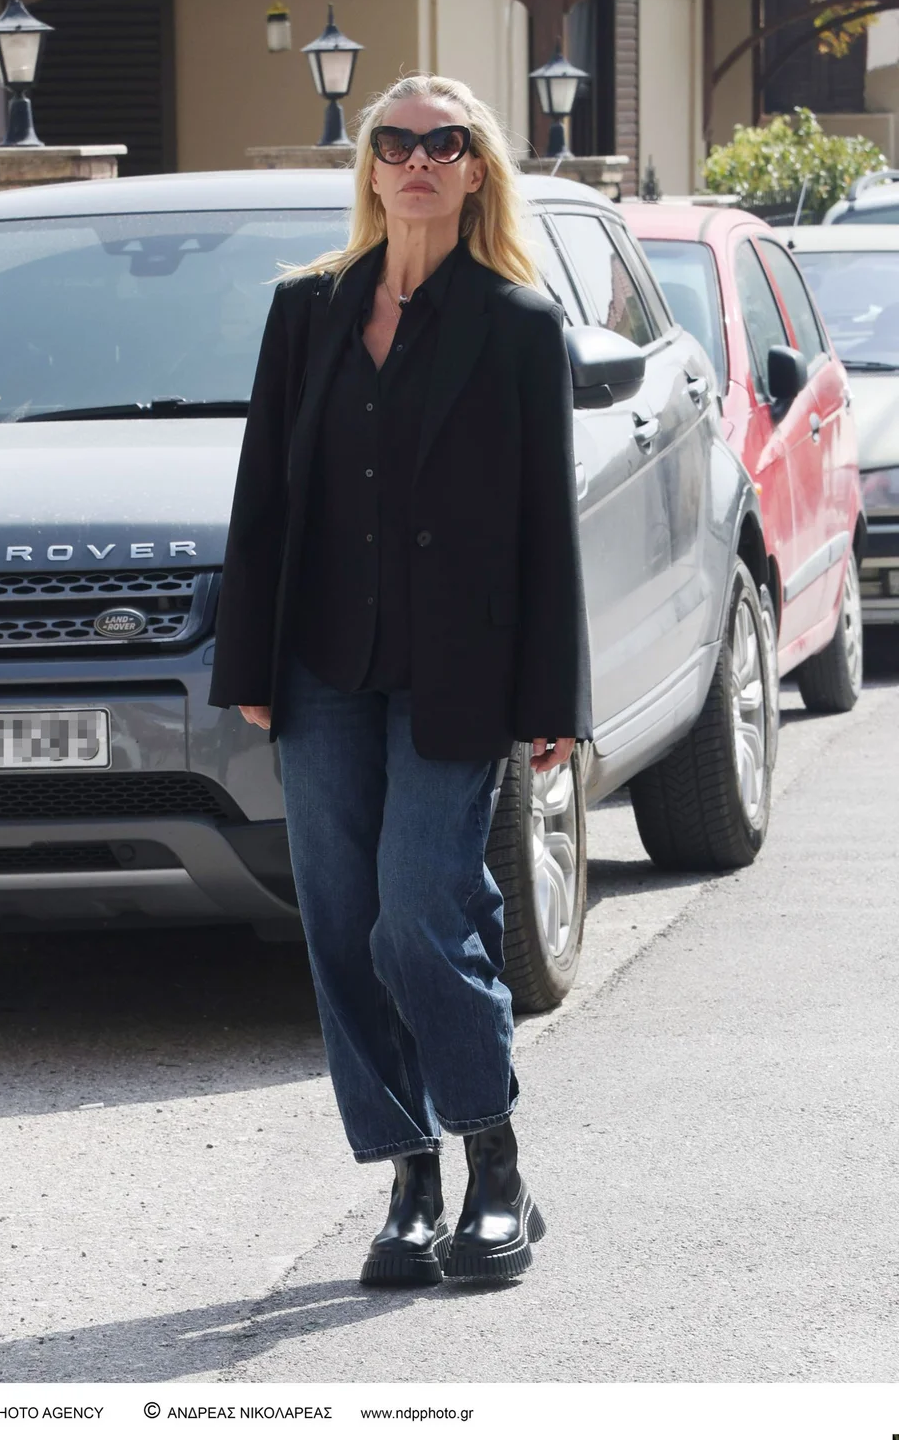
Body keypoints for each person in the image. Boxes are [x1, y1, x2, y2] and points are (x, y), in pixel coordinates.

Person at [208, 73, 592, 1285]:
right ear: (370, 167)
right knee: (339, 922)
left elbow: (545, 523)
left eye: (444, 141)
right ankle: (410, 1178)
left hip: (459, 670)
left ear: (475, 170)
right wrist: (249, 658)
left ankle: (497, 1170)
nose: (418, 159)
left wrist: (555, 698)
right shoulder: (306, 311)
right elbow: (264, 494)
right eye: (396, 141)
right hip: (321, 663)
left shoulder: (517, 322)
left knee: (423, 911)